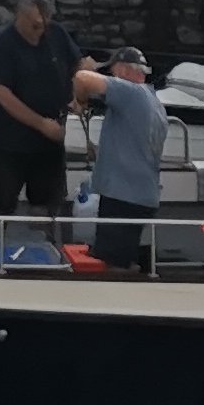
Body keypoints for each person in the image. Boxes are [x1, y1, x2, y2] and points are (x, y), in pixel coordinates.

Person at [0, 0, 81, 229]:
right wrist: (41, 124)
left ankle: (42, 251)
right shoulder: (2, 44)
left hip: (49, 146)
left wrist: (79, 93)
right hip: (8, 144)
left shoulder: (57, 34)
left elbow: (80, 64)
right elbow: (1, 93)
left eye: (44, 24)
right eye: (34, 25)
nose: (40, 30)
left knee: (46, 203)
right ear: (20, 15)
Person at [78, 43, 169, 273]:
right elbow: (135, 146)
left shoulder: (130, 92)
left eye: (113, 71)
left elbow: (82, 78)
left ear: (124, 71)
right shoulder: (153, 102)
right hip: (141, 195)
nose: (112, 76)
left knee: (113, 264)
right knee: (122, 257)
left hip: (123, 197)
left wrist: (79, 101)